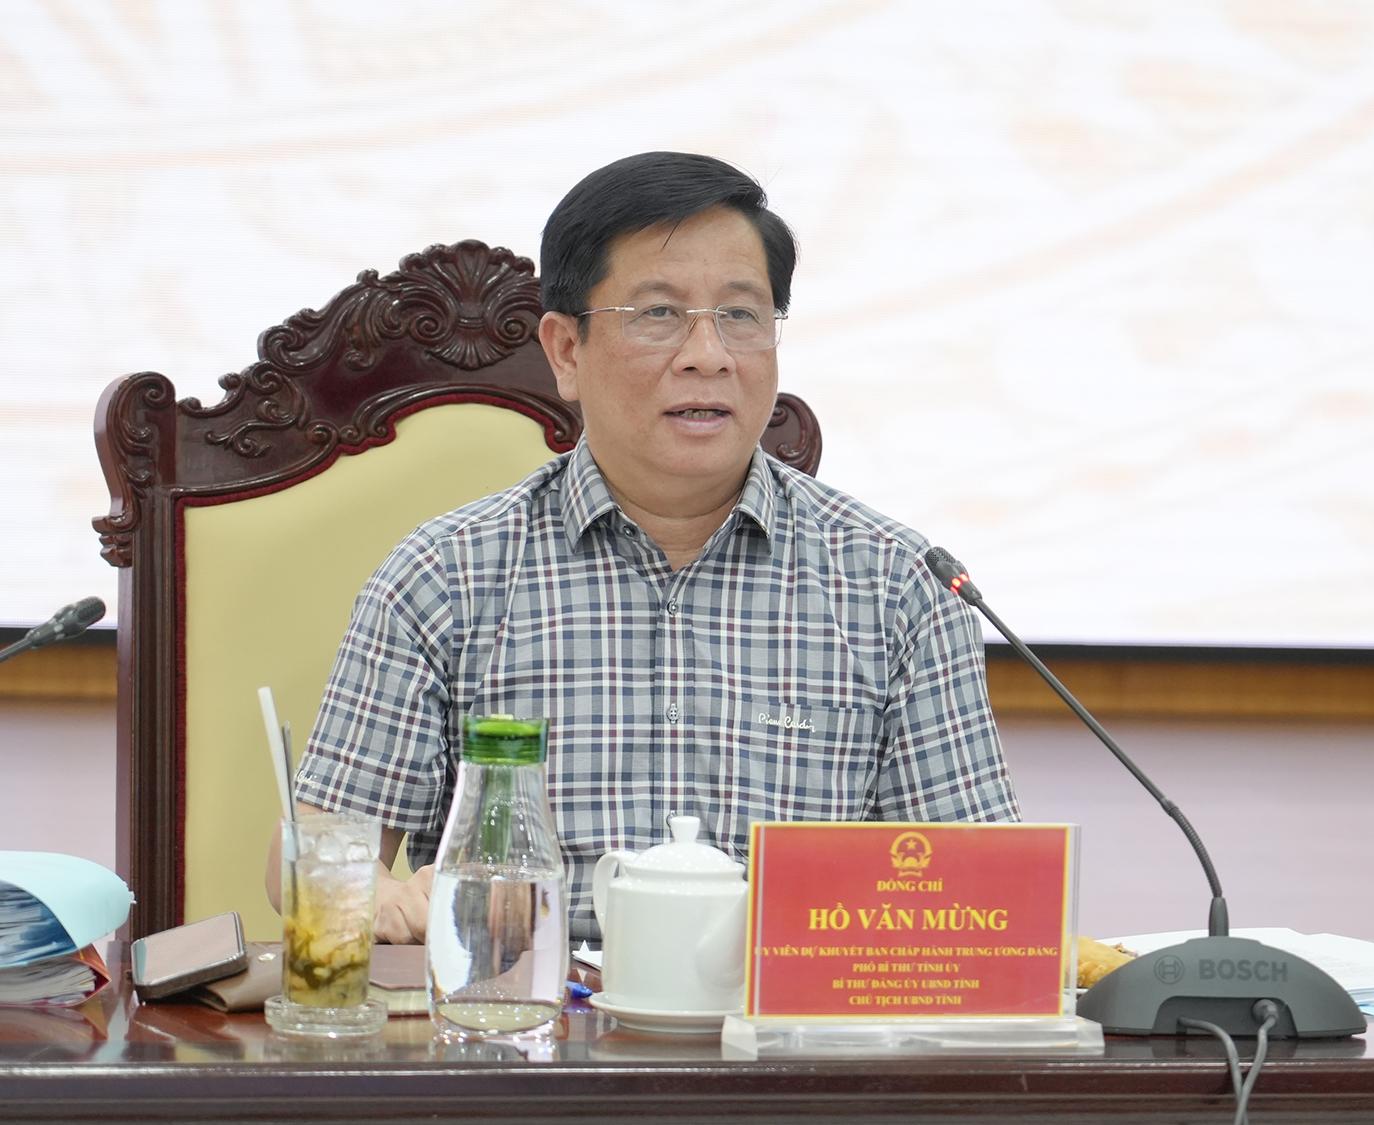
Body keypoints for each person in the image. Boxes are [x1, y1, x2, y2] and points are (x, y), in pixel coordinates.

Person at [267, 152, 1019, 944]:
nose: (708, 354)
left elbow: (981, 887)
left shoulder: (897, 585)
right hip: (524, 1009)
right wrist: (374, 897)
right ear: (566, 350)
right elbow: (312, 853)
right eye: (659, 313)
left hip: (786, 1017)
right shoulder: (444, 577)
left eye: (741, 315)